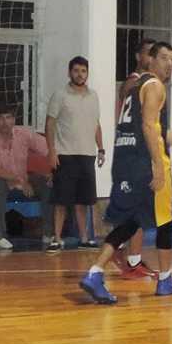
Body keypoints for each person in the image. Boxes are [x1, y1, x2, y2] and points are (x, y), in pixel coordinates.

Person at [79, 42, 172, 304]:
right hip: (145, 162)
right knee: (165, 221)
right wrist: (157, 166)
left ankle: (96, 272)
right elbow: (149, 127)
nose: (169, 64)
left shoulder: (135, 86)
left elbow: (159, 129)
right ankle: (165, 279)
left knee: (132, 222)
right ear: (150, 60)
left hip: (125, 161)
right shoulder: (154, 86)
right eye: (163, 57)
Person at [45, 56, 104, 253]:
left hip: (87, 155)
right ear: (70, 72)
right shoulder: (60, 95)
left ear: (87, 73)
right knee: (61, 201)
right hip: (65, 155)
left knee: (83, 201)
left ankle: (84, 239)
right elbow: (50, 124)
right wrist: (52, 151)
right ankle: (56, 239)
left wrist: (101, 149)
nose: (80, 74)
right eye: (76, 70)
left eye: (83, 71)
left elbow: (96, 125)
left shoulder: (94, 96)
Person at [111, 38, 158, 279]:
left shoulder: (145, 83)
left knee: (136, 212)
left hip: (132, 153)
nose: (153, 58)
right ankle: (119, 254)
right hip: (131, 154)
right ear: (139, 57)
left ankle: (131, 259)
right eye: (149, 53)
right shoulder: (135, 81)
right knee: (135, 211)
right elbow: (127, 92)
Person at [0, 102, 53, 249]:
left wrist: (53, 172)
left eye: (8, 117)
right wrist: (21, 182)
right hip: (4, 181)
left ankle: (48, 233)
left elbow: (49, 150)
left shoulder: (24, 133)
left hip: (24, 178)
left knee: (47, 183)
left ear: (14, 119)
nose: (5, 122)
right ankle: (0, 236)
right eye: (1, 118)